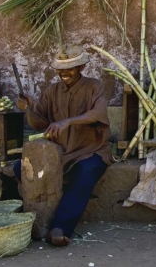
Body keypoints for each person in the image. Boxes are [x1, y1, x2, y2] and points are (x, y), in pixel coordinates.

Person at [15, 44, 112, 246]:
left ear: (81, 67)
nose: (64, 72)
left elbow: (98, 113)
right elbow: (40, 123)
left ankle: (60, 227)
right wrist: (29, 110)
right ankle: (31, 221)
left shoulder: (94, 86)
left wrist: (68, 121)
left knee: (86, 173)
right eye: (60, 68)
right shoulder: (51, 91)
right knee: (19, 168)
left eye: (70, 68)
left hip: (89, 150)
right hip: (58, 152)